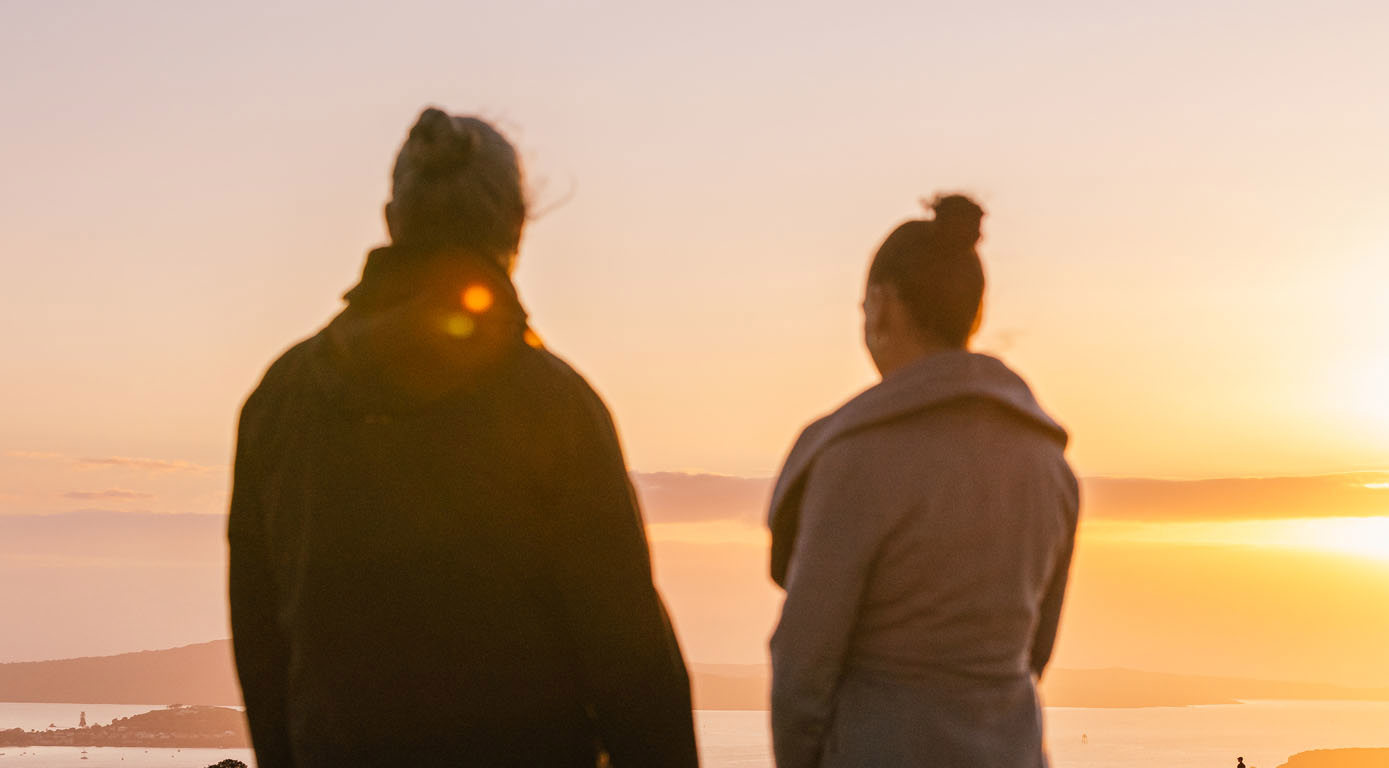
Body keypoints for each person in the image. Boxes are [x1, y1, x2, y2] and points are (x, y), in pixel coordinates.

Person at [227, 107, 698, 768]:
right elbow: (635, 672)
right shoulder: (552, 407)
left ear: (393, 219)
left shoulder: (280, 403)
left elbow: (264, 653)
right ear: (515, 228)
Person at [766, 194, 1080, 767]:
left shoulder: (856, 459)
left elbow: (801, 667)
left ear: (882, 306)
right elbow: (1034, 650)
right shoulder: (1049, 466)